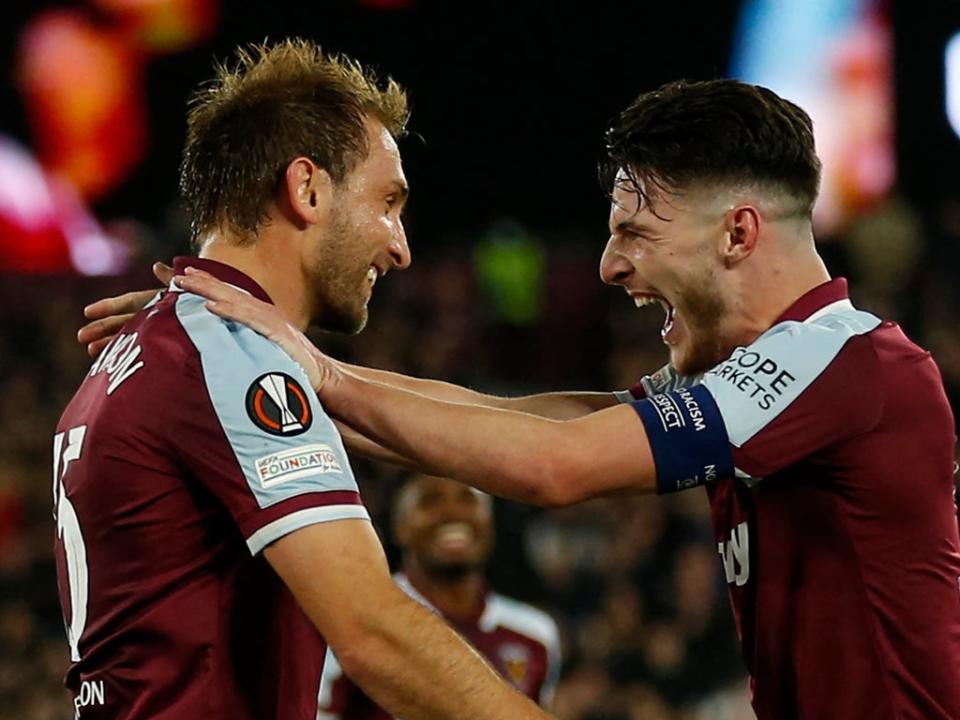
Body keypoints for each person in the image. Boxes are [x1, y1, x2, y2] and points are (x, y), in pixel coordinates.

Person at [81, 79, 960, 719]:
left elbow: (555, 465)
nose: (612, 266)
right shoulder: (769, 373)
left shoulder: (846, 361)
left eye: (633, 233)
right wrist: (243, 353)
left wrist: (313, 372)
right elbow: (549, 421)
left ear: (738, 232)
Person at [54, 39, 554, 720]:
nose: (400, 246)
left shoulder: (161, 347)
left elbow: (431, 422)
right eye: (388, 202)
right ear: (308, 188)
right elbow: (375, 635)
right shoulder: (227, 351)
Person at [318, 473, 561, 719]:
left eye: (468, 500)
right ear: (399, 527)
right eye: (430, 501)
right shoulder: (358, 619)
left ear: (491, 522)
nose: (452, 513)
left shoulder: (534, 634)